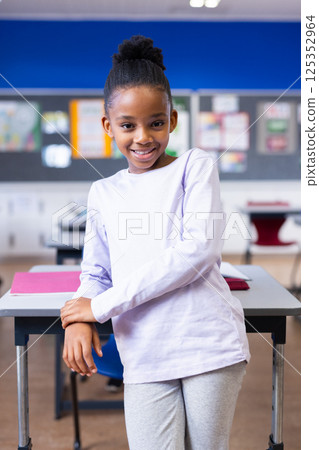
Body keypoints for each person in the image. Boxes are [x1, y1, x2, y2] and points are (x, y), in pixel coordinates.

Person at [61, 35, 250, 450]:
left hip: (209, 346)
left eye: (156, 122)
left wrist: (100, 307)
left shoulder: (194, 167)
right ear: (109, 127)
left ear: (173, 120)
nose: (143, 136)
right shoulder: (103, 192)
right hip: (144, 352)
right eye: (128, 125)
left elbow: (196, 253)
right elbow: (96, 270)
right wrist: (79, 318)